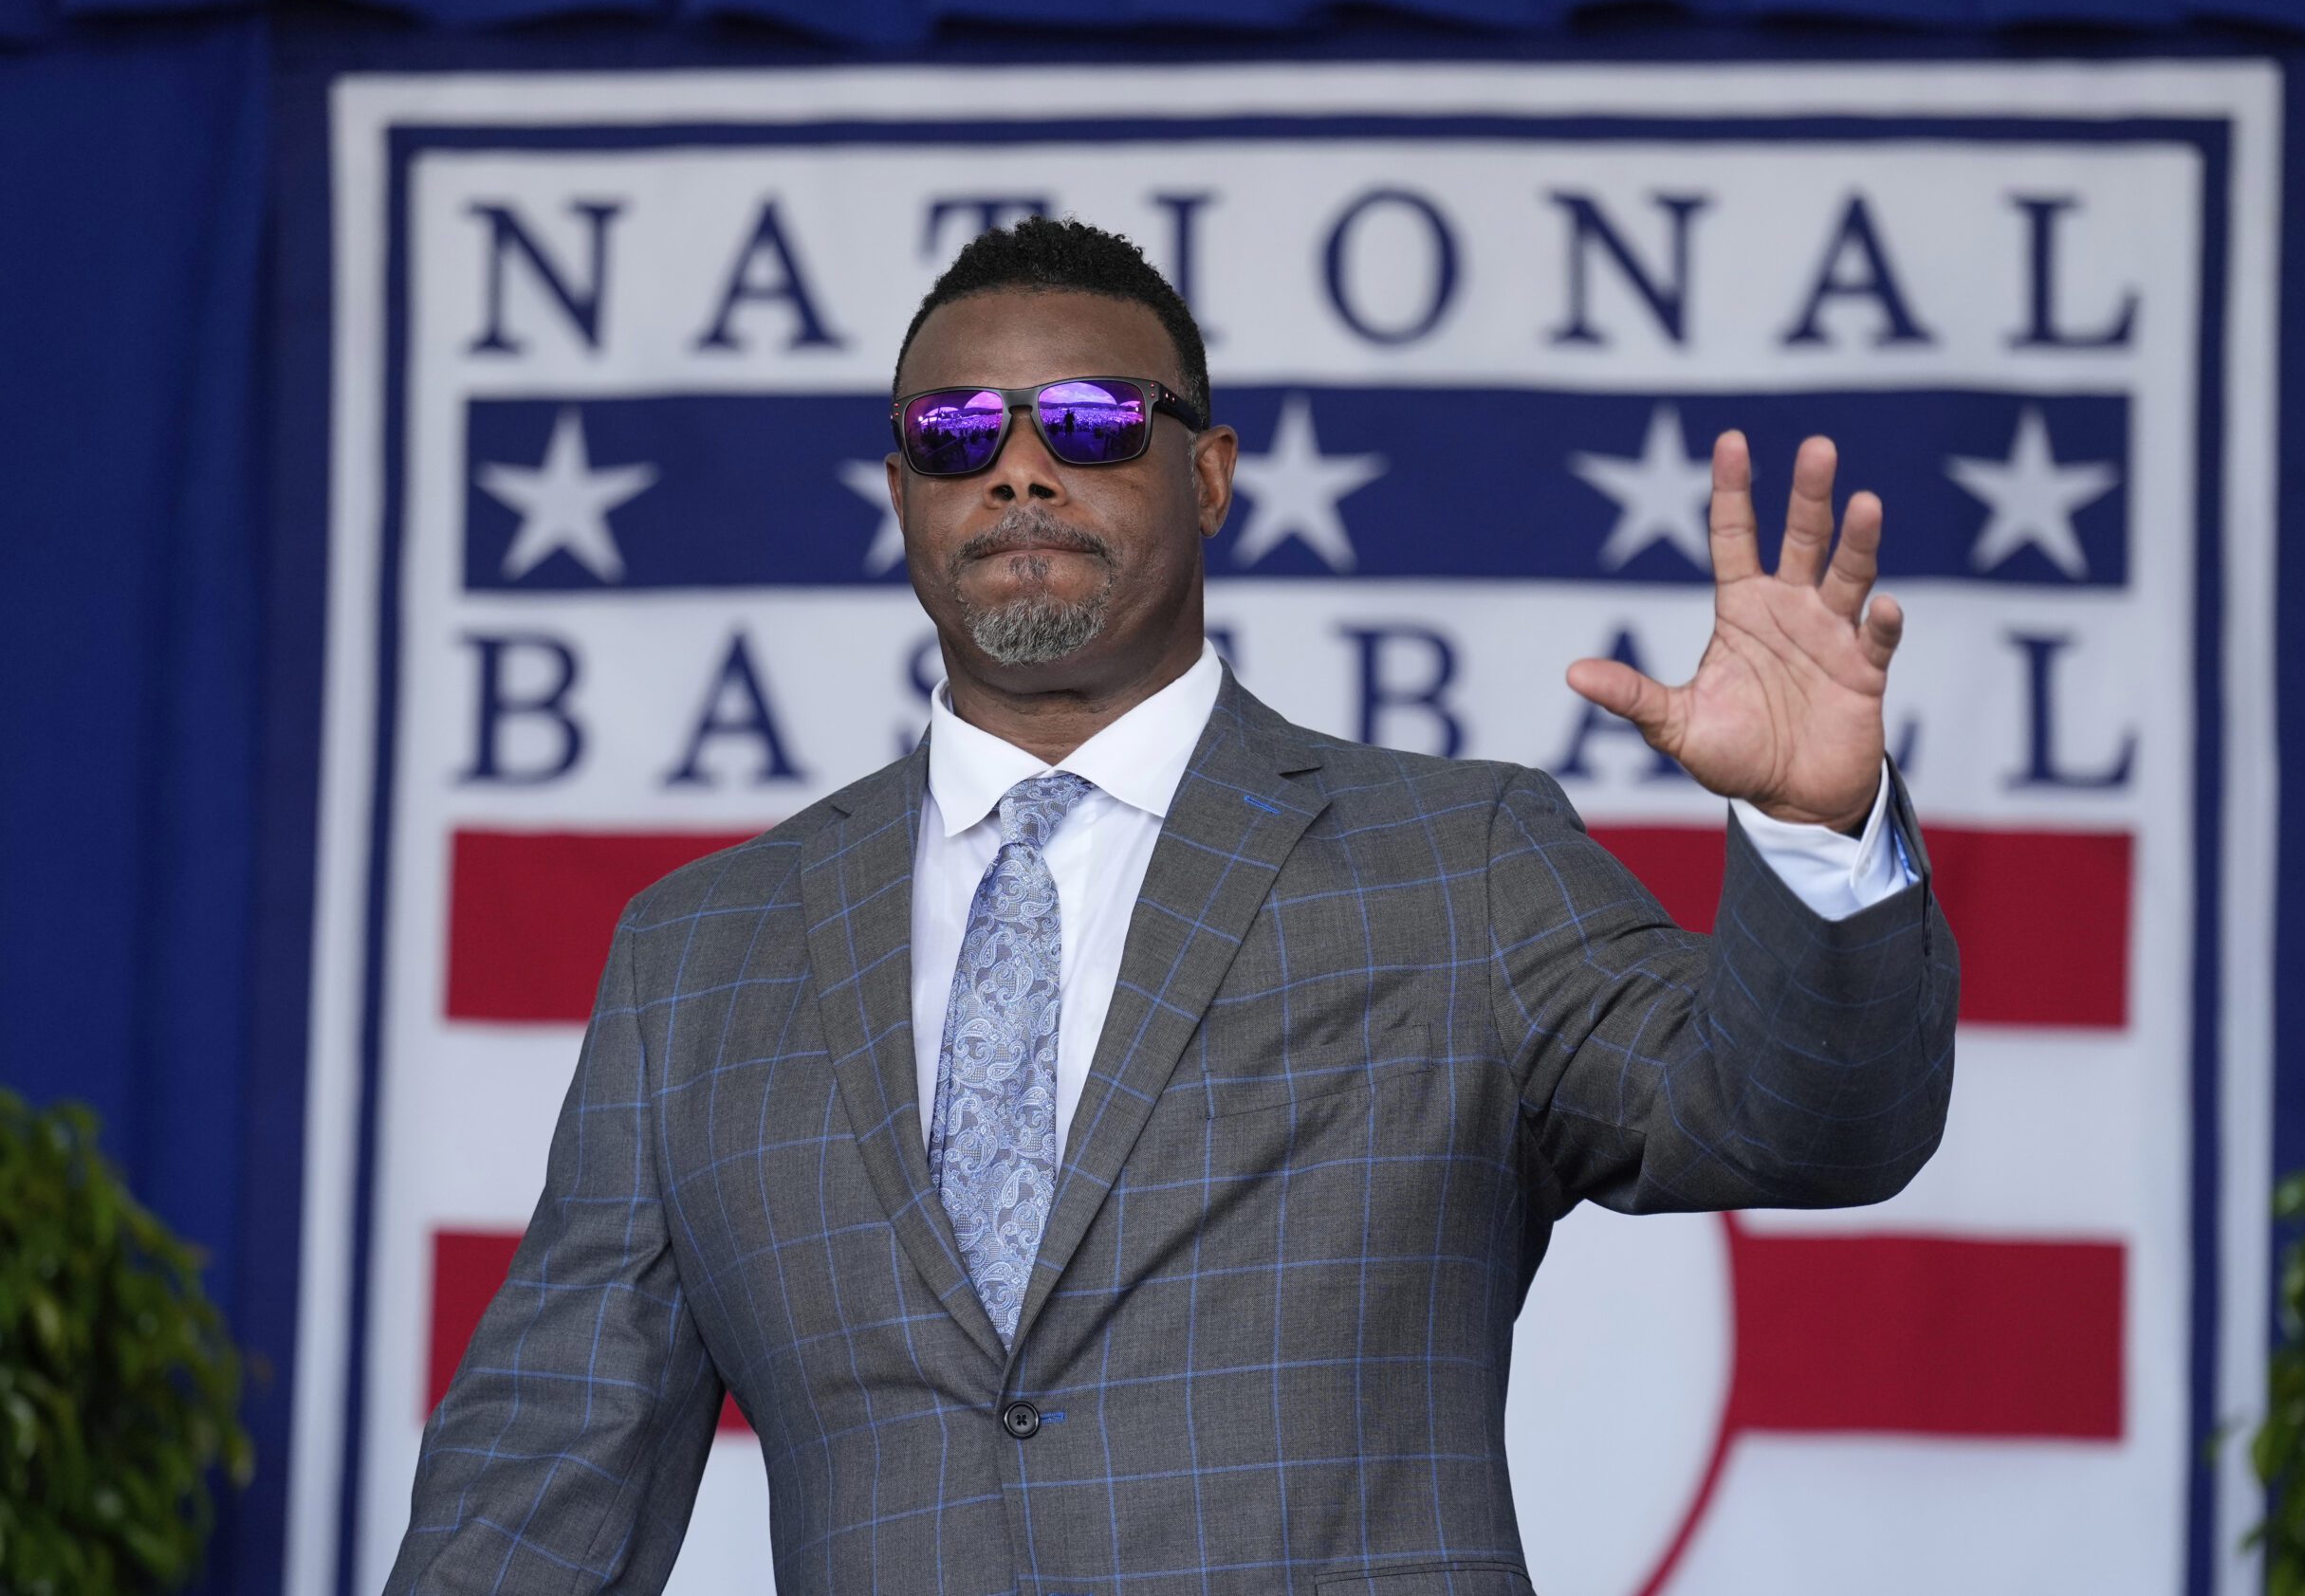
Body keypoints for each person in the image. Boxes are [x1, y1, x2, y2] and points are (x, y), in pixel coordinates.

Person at [386, 216, 1958, 1596]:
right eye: (955, 432)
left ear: (1206, 474)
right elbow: (541, 1496)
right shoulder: (698, 955)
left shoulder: (1458, 860)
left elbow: (1798, 1126)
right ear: (901, 489)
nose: (1018, 465)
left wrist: (1814, 832)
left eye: (1088, 421)